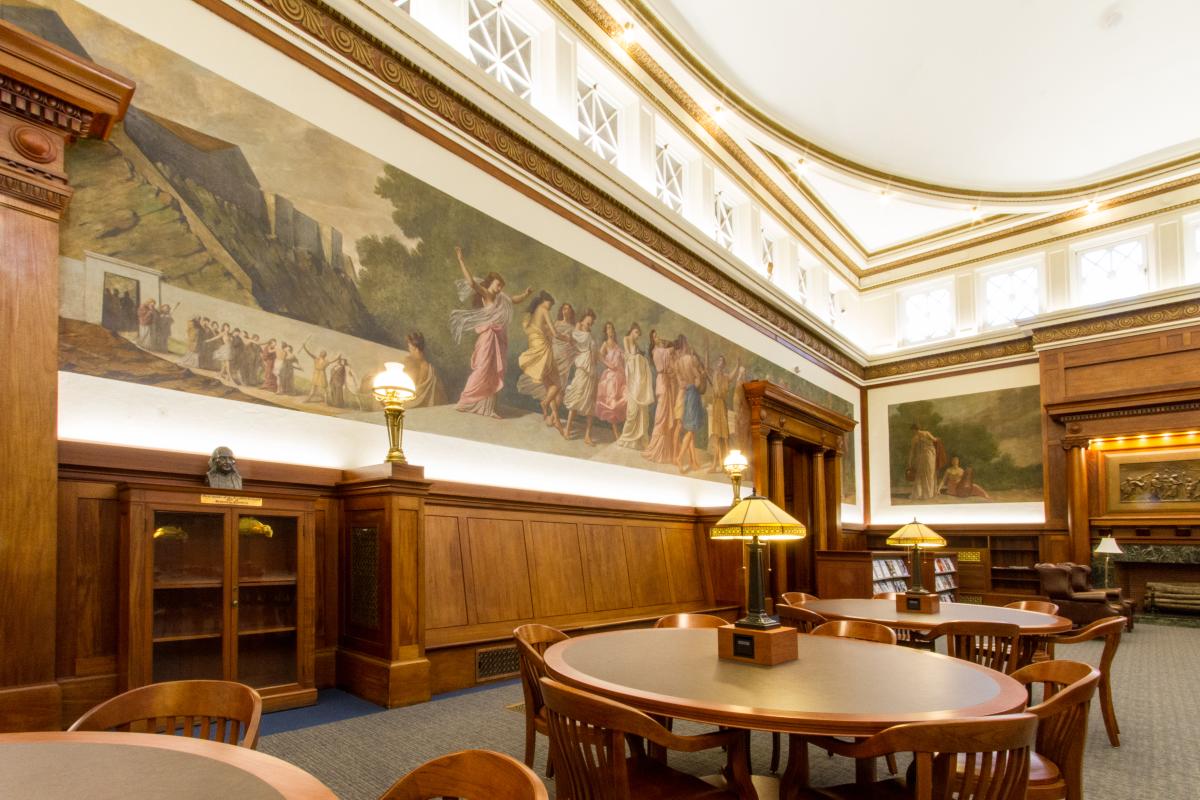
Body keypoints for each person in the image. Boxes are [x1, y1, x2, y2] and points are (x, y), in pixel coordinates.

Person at [448, 246, 531, 418]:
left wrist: (525, 294)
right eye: (498, 284)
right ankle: (466, 401)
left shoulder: (501, 297)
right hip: (487, 337)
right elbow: (471, 283)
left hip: (499, 338)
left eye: (501, 286)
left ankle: (488, 408)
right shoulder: (486, 294)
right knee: (483, 368)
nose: (499, 288)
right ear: (491, 283)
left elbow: (514, 300)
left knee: (494, 371)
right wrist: (461, 260)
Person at [516, 293, 564, 429]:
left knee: (549, 385)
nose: (550, 306)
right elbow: (554, 333)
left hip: (536, 347)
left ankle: (555, 417)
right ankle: (545, 403)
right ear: (544, 301)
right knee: (557, 385)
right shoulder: (543, 310)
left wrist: (547, 331)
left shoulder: (531, 315)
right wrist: (567, 339)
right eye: (550, 303)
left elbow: (532, 331)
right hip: (543, 349)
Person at [562, 309, 600, 445]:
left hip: (591, 369)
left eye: (591, 322)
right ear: (582, 319)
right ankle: (567, 429)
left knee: (590, 402)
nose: (590, 324)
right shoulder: (577, 331)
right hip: (582, 368)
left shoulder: (590, 335)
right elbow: (571, 340)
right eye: (588, 321)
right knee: (576, 398)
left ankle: (587, 436)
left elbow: (595, 355)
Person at [642, 331, 678, 464]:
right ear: (653, 339)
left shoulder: (662, 350)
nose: (659, 337)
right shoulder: (657, 351)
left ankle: (664, 451)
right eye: (656, 336)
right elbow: (669, 352)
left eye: (659, 335)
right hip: (662, 382)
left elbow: (670, 363)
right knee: (661, 416)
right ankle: (655, 449)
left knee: (666, 414)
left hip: (665, 381)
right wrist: (673, 345)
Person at [616, 323, 654, 450]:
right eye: (636, 332)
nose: (637, 336)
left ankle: (638, 440)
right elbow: (628, 355)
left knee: (641, 410)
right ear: (632, 331)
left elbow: (638, 355)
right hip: (632, 373)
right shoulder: (626, 339)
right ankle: (626, 437)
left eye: (638, 333)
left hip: (637, 374)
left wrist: (640, 356)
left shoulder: (636, 344)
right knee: (632, 411)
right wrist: (636, 357)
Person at [673, 335, 707, 473]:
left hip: (685, 393)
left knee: (689, 429)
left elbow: (680, 382)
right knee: (691, 429)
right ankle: (680, 458)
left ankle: (693, 462)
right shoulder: (691, 359)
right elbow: (698, 380)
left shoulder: (677, 363)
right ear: (685, 344)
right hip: (693, 393)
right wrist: (702, 375)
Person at [593, 321, 626, 440]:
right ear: (605, 331)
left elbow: (623, 358)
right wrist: (609, 364)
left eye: (611, 328)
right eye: (608, 329)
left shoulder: (617, 345)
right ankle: (616, 433)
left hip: (620, 376)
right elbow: (599, 356)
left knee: (623, 400)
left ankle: (623, 431)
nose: (610, 330)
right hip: (610, 377)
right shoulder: (605, 344)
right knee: (612, 403)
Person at [706, 355, 735, 472]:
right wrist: (707, 353)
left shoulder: (725, 376)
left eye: (722, 361)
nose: (720, 363)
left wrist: (737, 366)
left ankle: (725, 464)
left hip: (721, 405)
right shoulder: (714, 375)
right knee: (717, 436)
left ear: (724, 365)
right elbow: (707, 368)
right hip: (716, 405)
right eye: (719, 360)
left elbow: (732, 377)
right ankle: (715, 464)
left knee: (725, 437)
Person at [404, 331, 448, 408]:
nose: (409, 350)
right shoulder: (429, 368)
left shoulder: (413, 363)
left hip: (414, 406)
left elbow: (415, 391)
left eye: (410, 347)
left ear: (416, 349)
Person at [907, 423, 943, 501]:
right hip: (926, 456)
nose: (913, 432)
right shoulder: (923, 435)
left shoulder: (919, 436)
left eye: (913, 430)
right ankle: (925, 494)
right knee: (925, 473)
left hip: (927, 455)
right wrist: (937, 439)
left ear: (914, 430)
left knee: (925, 473)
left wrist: (909, 461)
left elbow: (912, 451)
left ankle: (925, 494)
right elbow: (935, 440)